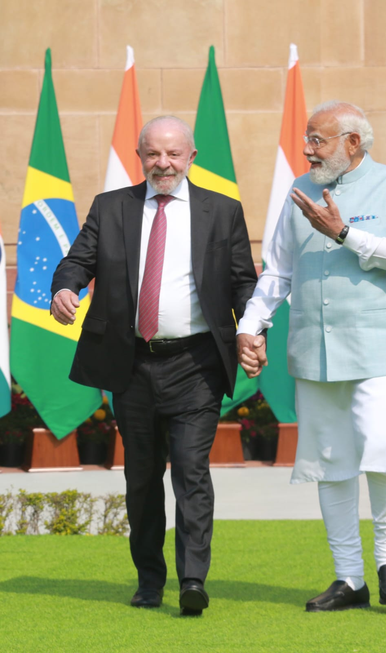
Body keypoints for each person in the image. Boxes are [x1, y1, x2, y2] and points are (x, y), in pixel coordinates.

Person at [51, 116, 257, 616]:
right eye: (153, 154)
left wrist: (253, 330)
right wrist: (64, 287)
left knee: (191, 471)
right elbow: (77, 261)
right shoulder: (111, 207)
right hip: (132, 365)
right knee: (141, 479)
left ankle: (193, 581)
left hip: (197, 364)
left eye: (173, 154)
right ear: (140, 156)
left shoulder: (222, 210)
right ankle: (149, 580)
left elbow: (242, 282)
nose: (163, 164)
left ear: (191, 157)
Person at [237, 100, 386, 612]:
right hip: (314, 352)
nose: (307, 149)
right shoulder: (298, 192)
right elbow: (278, 270)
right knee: (330, 463)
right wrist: (250, 325)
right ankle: (349, 578)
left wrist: (345, 234)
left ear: (353, 142)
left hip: (380, 351)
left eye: (318, 140)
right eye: (308, 139)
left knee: (384, 455)